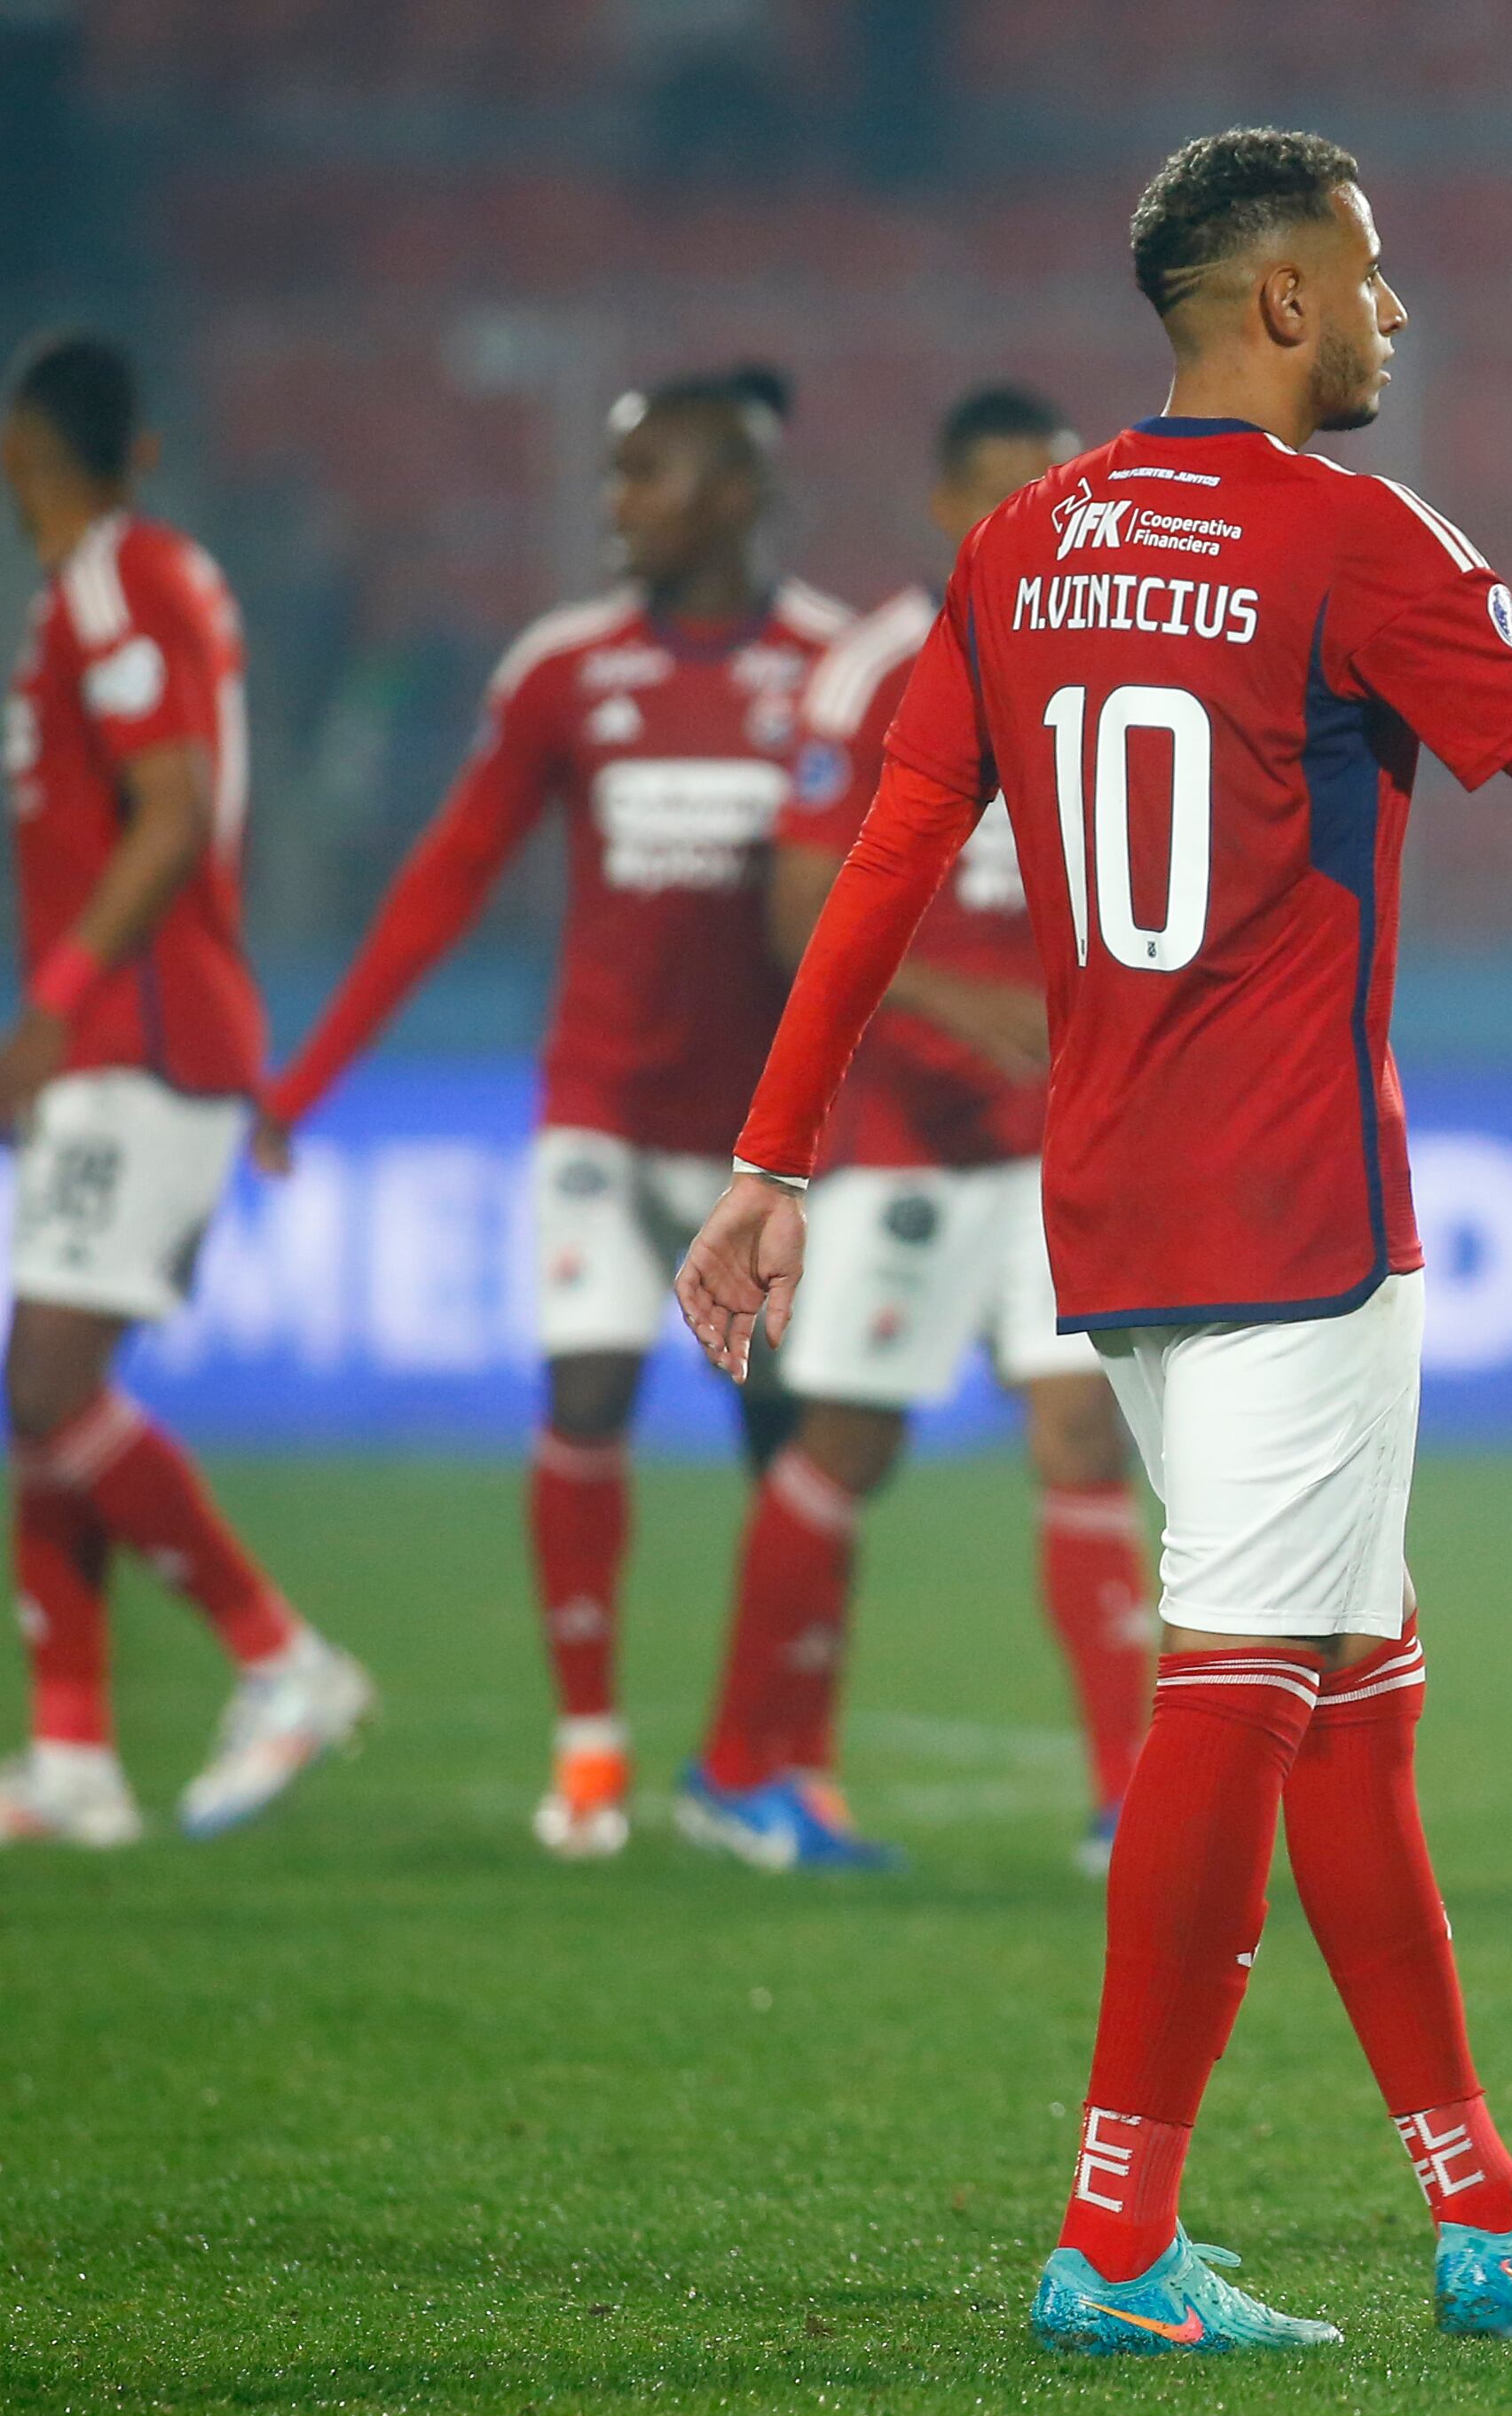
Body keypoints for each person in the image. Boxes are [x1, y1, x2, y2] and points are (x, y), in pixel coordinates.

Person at [675, 127, 1512, 2355]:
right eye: (1368, 276)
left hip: (1120, 1206)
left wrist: (772, 1154)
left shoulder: (1025, 543)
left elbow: (887, 849)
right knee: (1245, 1690)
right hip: (1302, 1209)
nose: (1393, 313)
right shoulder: (1352, 537)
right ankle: (1118, 2233)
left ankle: (1484, 2207)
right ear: (1275, 302)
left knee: (1351, 1684)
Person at [258, 365, 847, 1859]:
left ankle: (782, 1756)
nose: (612, 506)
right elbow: (447, 877)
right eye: (609, 474)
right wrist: (306, 1081)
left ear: (731, 493)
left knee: (795, 1448)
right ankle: (587, 1752)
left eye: (641, 476)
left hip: (757, 1144)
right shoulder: (562, 669)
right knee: (584, 1393)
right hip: (597, 1103)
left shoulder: (833, 673)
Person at [677, 382, 1159, 1880]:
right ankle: (740, 1765)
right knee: (849, 1439)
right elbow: (799, 906)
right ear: (950, 506)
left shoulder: (1108, 654)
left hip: (1064, 1133)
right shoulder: (876, 670)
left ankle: (1128, 1802)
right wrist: (967, 1007)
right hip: (901, 1133)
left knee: (1080, 1425)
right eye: (1011, 493)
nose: (1041, 520)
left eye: (1059, 492)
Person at [0, 330, 371, 1847]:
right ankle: (75, 1757)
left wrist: (53, 1006)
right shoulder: (131, 582)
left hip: (146, 1036)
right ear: (136, 445)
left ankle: (283, 1661)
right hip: (132, 1045)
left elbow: (169, 817)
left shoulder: (110, 584)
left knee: (45, 1386)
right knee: (44, 1384)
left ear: (26, 454)